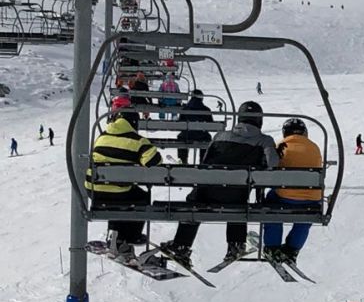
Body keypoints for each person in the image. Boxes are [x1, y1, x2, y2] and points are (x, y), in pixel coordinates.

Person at [160, 101, 279, 266]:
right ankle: (236, 244)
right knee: (239, 197)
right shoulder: (264, 141)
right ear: (259, 121)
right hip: (236, 198)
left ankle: (182, 245)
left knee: (195, 200)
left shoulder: (220, 136)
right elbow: (273, 164)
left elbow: (205, 162)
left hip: (206, 194)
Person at [85, 109, 163, 261]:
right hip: (117, 192)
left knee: (116, 197)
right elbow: (153, 161)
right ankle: (130, 237)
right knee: (140, 197)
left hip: (94, 191)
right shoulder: (136, 141)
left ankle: (114, 236)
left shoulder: (102, 137)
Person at [261, 118, 324, 264]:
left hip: (285, 196)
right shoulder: (314, 147)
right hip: (313, 198)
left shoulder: (281, 146)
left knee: (272, 207)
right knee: (306, 218)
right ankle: (292, 249)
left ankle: (272, 246)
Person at [176, 89, 214, 164]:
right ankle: (203, 160)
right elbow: (211, 124)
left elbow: (180, 123)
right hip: (202, 136)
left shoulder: (185, 109)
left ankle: (183, 159)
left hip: (187, 135)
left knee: (181, 137)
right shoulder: (206, 110)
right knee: (207, 138)